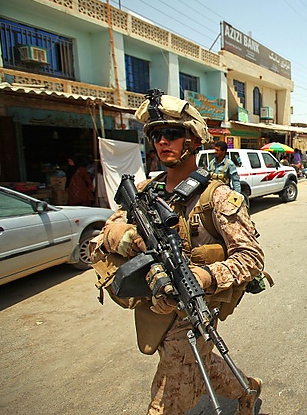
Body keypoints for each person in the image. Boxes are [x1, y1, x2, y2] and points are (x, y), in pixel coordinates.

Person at [90, 91, 264, 414]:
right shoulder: (144, 192)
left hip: (192, 314)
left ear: (194, 140)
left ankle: (243, 391)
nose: (162, 142)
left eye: (171, 133)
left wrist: (204, 276)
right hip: (154, 308)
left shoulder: (217, 197)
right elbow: (101, 240)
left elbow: (251, 257)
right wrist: (134, 239)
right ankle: (246, 389)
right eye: (156, 135)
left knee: (168, 399)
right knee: (202, 366)